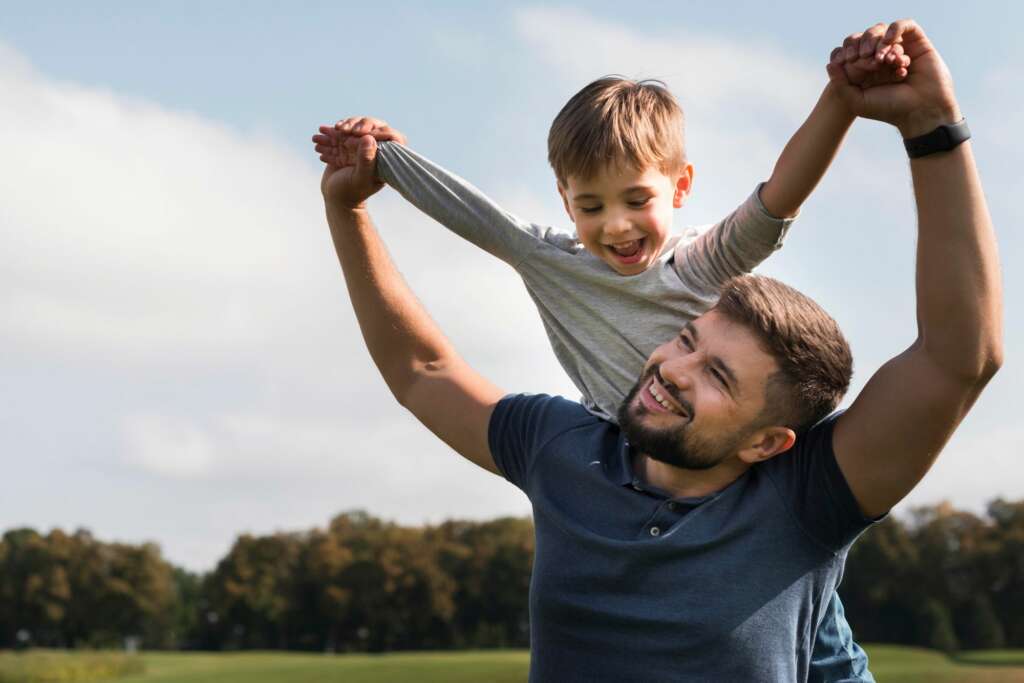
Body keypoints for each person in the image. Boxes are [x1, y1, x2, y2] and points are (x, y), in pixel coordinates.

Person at [318, 18, 1001, 682]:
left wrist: (931, 126)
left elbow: (957, 358)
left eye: (718, 377)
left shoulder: (807, 500)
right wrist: (348, 211)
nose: (672, 370)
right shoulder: (563, 450)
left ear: (769, 440)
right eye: (685, 339)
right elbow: (421, 369)